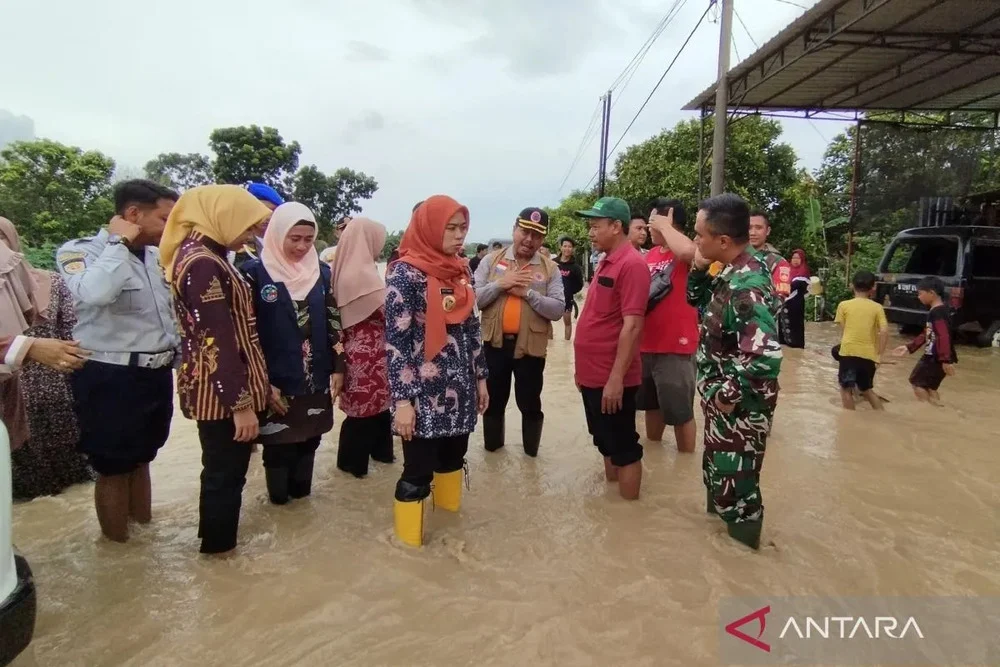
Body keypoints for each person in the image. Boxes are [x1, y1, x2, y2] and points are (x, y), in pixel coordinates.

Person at [56, 179, 180, 543]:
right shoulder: (80, 252)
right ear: (132, 215)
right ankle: (117, 552)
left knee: (142, 459)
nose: (169, 228)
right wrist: (118, 243)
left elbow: (169, 317)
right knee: (112, 467)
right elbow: (95, 292)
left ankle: (143, 539)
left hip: (155, 376)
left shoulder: (158, 257)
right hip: (109, 377)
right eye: (164, 218)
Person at [163, 184, 272, 555]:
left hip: (221, 389)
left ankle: (217, 549)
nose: (251, 234)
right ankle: (219, 556)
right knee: (224, 476)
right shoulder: (203, 263)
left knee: (222, 475)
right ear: (223, 216)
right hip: (220, 396)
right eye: (247, 224)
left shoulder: (211, 256)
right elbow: (217, 339)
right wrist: (240, 405)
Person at [385, 195, 488, 547]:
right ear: (430, 228)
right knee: (416, 472)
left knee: (452, 459)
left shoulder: (461, 269)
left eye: (463, 228)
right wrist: (401, 401)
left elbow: (472, 327)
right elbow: (396, 342)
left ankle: (448, 534)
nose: (460, 236)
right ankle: (409, 551)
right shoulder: (405, 273)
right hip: (421, 393)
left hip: (459, 387)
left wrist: (481, 377)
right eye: (451, 228)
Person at [686, 193, 782, 550]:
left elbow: (766, 358)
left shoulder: (748, 287)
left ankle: (746, 566)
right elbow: (696, 300)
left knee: (737, 494)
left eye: (700, 235)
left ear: (723, 240)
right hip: (722, 402)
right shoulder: (731, 271)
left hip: (739, 408)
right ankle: (719, 554)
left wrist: (724, 397)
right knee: (718, 478)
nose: (696, 240)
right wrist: (697, 266)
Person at [242, 202, 346, 504]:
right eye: (294, 238)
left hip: (316, 378)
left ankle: (300, 510)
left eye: (308, 240)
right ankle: (279, 506)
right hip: (276, 381)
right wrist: (261, 382)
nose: (302, 246)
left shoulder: (322, 274)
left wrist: (339, 368)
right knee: (278, 446)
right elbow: (246, 335)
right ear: (277, 234)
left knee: (310, 441)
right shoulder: (254, 275)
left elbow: (334, 323)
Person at [0, 219, 92, 498]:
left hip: (54, 386)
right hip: (14, 389)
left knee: (71, 474)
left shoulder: (48, 281)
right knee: (20, 477)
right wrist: (27, 349)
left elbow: (73, 333)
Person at [573, 197, 649, 500]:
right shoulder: (605, 260)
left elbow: (632, 326)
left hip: (611, 378)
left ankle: (628, 522)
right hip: (592, 375)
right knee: (604, 441)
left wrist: (616, 379)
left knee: (624, 448)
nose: (590, 233)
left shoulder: (632, 265)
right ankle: (612, 507)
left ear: (616, 227)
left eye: (596, 226)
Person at [474, 208, 565, 457]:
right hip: (494, 346)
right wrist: (501, 284)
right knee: (492, 403)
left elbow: (558, 309)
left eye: (536, 235)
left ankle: (530, 458)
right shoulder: (490, 261)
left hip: (530, 349)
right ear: (514, 229)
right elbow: (474, 299)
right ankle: (493, 454)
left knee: (530, 404)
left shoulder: (550, 269)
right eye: (525, 231)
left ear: (543, 238)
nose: (529, 239)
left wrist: (528, 293)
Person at [331, 216, 394, 478]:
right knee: (364, 415)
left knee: (373, 412)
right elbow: (388, 312)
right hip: (368, 357)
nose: (379, 247)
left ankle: (376, 457)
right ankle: (353, 466)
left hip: (356, 353)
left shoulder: (344, 269)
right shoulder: (362, 275)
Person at [642, 199, 699, 453]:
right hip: (644, 345)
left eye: (653, 221)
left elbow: (690, 253)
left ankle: (685, 464)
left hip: (676, 347)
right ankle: (654, 454)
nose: (648, 227)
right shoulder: (651, 255)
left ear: (669, 222)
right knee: (650, 406)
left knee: (680, 413)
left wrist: (666, 228)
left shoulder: (689, 251)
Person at [892, 276, 957, 405]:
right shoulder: (941, 310)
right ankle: (940, 412)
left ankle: (928, 412)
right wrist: (909, 347)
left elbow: (943, 335)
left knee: (917, 383)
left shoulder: (937, 313)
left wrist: (945, 360)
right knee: (930, 387)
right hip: (939, 356)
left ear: (931, 293)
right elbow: (928, 332)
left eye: (920, 293)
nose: (919, 297)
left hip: (935, 357)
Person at [833, 270, 889, 411]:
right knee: (867, 390)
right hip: (869, 355)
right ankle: (883, 416)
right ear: (873, 288)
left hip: (848, 352)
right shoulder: (877, 307)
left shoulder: (843, 305)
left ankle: (850, 421)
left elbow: (845, 330)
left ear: (852, 286)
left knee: (845, 389)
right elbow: (884, 331)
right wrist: (879, 355)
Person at [748, 211, 792, 342]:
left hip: (760, 332)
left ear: (767, 231)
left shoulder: (777, 262)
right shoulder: (731, 258)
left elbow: (780, 298)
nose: (753, 232)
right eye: (749, 228)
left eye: (758, 228)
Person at [230, 182, 283, 269]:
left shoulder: (283, 242)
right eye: (262, 210)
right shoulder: (237, 243)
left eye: (273, 211)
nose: (268, 217)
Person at [555, 236, 584, 340]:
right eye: (565, 246)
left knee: (567, 323)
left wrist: (569, 291)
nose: (567, 249)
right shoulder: (553, 263)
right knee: (546, 321)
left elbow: (580, 284)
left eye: (570, 247)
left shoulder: (575, 267)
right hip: (552, 297)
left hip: (567, 299)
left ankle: (566, 345)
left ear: (573, 249)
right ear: (561, 247)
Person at [783, 249, 810, 348]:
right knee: (783, 324)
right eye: (793, 258)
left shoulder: (804, 272)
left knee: (795, 325)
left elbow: (796, 285)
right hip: (784, 302)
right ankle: (785, 345)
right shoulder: (786, 270)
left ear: (802, 259)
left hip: (796, 303)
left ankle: (796, 345)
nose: (795, 260)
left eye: (798, 258)